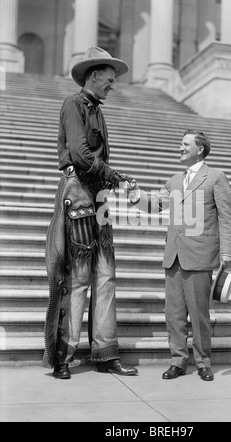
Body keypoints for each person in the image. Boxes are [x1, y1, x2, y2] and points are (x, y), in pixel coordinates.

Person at [43, 47, 138, 379]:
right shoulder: (73, 104)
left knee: (106, 277)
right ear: (94, 75)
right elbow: (81, 155)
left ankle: (105, 353)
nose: (112, 86)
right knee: (79, 279)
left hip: (97, 196)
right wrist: (114, 176)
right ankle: (63, 358)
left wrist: (111, 179)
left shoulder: (97, 110)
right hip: (80, 194)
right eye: (109, 80)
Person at [127, 130, 231, 381]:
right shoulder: (174, 181)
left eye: (185, 144)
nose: (180, 147)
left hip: (200, 254)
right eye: (180, 144)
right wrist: (136, 195)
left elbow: (226, 216)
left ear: (200, 149)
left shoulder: (216, 177)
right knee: (173, 313)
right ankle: (178, 361)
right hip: (174, 255)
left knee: (199, 314)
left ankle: (203, 362)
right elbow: (155, 205)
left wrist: (226, 249)